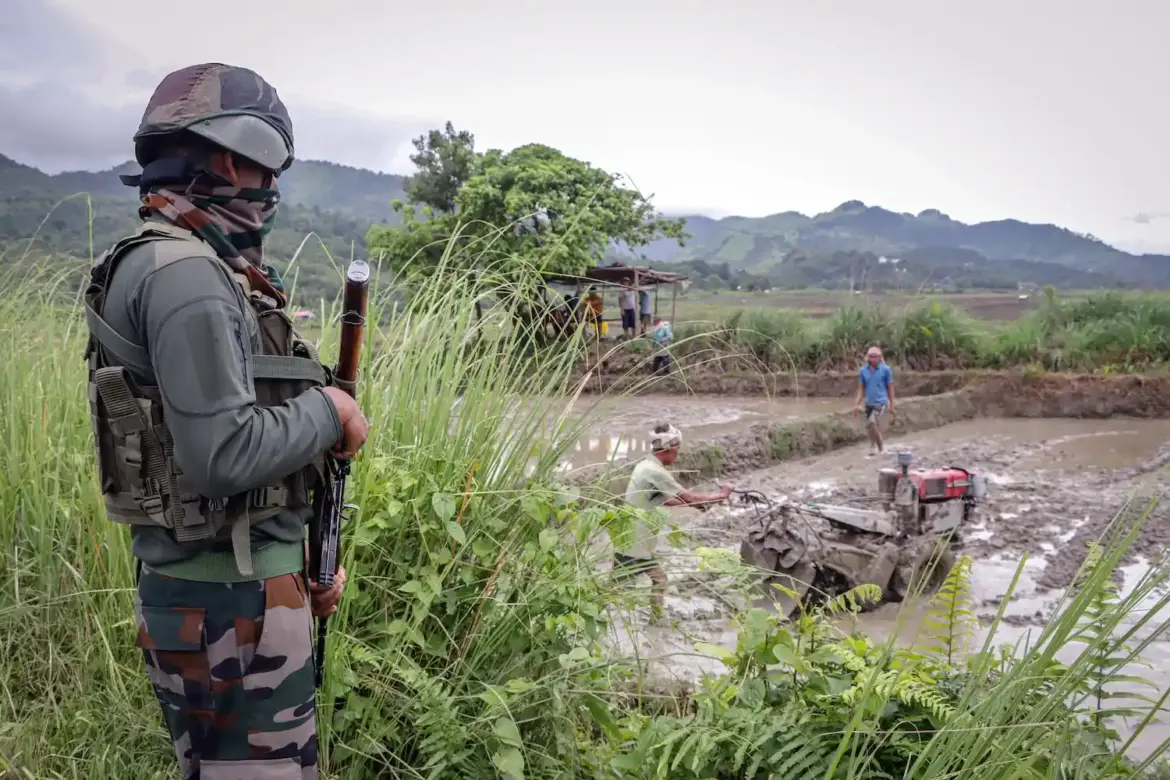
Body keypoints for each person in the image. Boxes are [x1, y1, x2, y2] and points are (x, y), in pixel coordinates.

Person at [82, 62, 370, 779]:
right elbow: (223, 455)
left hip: (228, 593)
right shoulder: (188, 276)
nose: (269, 191)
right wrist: (331, 409)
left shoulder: (161, 262)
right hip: (230, 608)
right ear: (232, 162)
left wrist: (298, 569)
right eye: (265, 171)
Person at [616, 422, 732, 622]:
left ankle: (653, 620)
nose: (677, 455)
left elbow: (662, 499)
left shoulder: (645, 466)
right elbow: (689, 496)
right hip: (633, 542)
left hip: (631, 538)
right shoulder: (656, 472)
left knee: (654, 580)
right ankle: (625, 625)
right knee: (620, 591)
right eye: (676, 451)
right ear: (668, 449)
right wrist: (721, 496)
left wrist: (697, 505)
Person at [854, 345, 896, 456]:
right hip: (869, 402)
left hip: (881, 402)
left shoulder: (886, 370)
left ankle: (881, 448)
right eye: (871, 357)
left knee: (871, 422)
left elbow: (890, 387)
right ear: (868, 357)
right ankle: (873, 446)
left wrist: (892, 405)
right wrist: (856, 404)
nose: (873, 359)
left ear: (880, 357)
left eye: (875, 357)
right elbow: (861, 389)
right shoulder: (863, 371)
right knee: (873, 426)